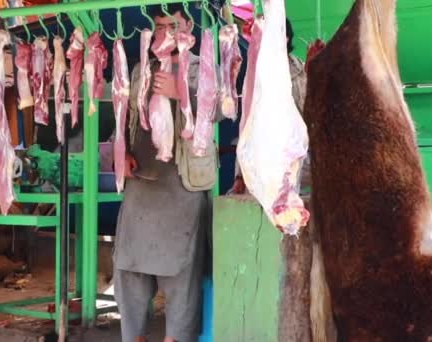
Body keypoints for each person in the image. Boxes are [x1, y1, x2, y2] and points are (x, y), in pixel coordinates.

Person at [113, 4, 217, 342]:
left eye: (172, 26)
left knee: (180, 276)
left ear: (188, 27)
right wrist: (123, 153)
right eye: (159, 27)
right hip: (142, 184)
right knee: (130, 269)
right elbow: (127, 120)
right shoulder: (142, 68)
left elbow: (221, 111)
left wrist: (180, 93)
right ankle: (134, 337)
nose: (165, 34)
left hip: (183, 185)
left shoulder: (203, 67)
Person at [229, 12, 309, 194]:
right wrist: (239, 176)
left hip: (296, 161)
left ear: (286, 38)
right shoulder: (254, 75)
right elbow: (247, 126)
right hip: (260, 160)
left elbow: (311, 119)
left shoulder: (302, 71)